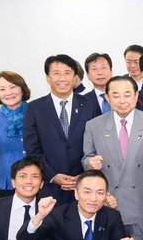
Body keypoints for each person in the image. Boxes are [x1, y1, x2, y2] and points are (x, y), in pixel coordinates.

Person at [81, 75, 143, 228]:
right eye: (116, 96)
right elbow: (86, 157)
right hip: (110, 202)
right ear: (107, 98)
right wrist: (90, 162)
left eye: (127, 95)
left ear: (136, 96)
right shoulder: (94, 125)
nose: (122, 101)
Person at [22, 54, 99, 202]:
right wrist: (52, 175)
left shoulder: (90, 105)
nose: (62, 78)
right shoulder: (34, 108)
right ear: (48, 78)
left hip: (85, 185)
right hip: (50, 186)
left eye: (67, 73)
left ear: (75, 77)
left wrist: (85, 174)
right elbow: (32, 149)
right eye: (56, 73)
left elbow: (98, 143)